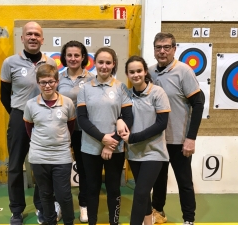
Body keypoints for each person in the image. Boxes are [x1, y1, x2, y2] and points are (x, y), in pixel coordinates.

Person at [0, 21, 58, 225]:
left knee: (41, 165)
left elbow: (53, 91)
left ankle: (42, 206)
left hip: (44, 119)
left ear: (42, 39)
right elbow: (4, 96)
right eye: (29, 34)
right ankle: (16, 210)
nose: (33, 37)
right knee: (15, 165)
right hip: (19, 116)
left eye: (37, 34)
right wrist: (19, 114)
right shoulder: (10, 63)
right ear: (22, 38)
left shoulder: (50, 62)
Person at [149, 33, 204, 225]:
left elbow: (198, 104)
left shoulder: (184, 71)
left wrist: (191, 138)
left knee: (184, 182)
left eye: (166, 47)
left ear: (174, 49)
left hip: (179, 140)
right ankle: (158, 212)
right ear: (154, 49)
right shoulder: (150, 72)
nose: (162, 51)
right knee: (158, 180)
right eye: (158, 47)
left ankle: (189, 219)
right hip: (157, 139)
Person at [77, 47, 133, 225]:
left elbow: (128, 117)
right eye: (100, 62)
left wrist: (112, 143)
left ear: (113, 64)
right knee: (92, 188)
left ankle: (113, 222)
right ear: (95, 63)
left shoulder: (121, 87)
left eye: (108, 62)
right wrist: (103, 138)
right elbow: (82, 119)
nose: (104, 66)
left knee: (113, 189)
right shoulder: (85, 88)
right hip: (90, 147)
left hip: (115, 149)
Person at [117, 55, 171, 225]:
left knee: (140, 193)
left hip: (154, 152)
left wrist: (133, 138)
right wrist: (119, 120)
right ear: (127, 74)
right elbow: (120, 114)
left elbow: (161, 124)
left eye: (139, 71)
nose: (136, 75)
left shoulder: (157, 92)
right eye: (132, 72)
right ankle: (148, 222)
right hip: (134, 153)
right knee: (144, 194)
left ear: (145, 71)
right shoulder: (126, 94)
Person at [23, 64, 76, 225]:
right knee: (45, 194)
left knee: (63, 195)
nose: (47, 85)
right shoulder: (31, 104)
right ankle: (49, 221)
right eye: (43, 82)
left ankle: (68, 222)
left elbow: (71, 127)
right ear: (38, 83)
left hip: (62, 156)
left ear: (57, 82)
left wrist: (58, 141)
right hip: (39, 157)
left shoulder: (67, 103)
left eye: (51, 81)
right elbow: (29, 129)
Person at [57, 40, 95, 223]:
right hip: (61, 131)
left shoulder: (92, 79)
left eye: (76, 55)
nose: (73, 58)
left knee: (84, 169)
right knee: (59, 169)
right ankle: (59, 204)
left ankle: (84, 205)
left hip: (83, 131)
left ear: (83, 57)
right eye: (69, 55)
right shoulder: (57, 78)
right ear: (64, 57)